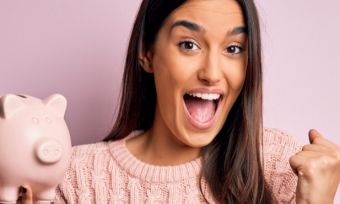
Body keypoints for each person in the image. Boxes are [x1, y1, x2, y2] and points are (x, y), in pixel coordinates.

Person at [19, 0, 340, 203]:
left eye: (233, 48)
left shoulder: (279, 166)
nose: (212, 73)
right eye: (189, 44)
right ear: (147, 53)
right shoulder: (75, 178)